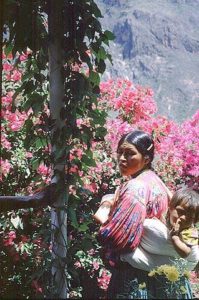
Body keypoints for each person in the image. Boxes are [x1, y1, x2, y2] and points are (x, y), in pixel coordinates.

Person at [95, 130, 193, 299]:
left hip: (136, 282)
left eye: (130, 153)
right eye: (120, 153)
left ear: (146, 158)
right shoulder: (158, 184)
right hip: (164, 281)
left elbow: (118, 238)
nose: (122, 159)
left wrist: (104, 216)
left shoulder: (136, 187)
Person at [120, 187, 199, 272]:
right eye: (180, 211)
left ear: (195, 220)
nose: (183, 218)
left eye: (190, 217)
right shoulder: (161, 217)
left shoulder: (190, 233)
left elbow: (185, 253)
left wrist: (175, 237)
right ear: (170, 207)